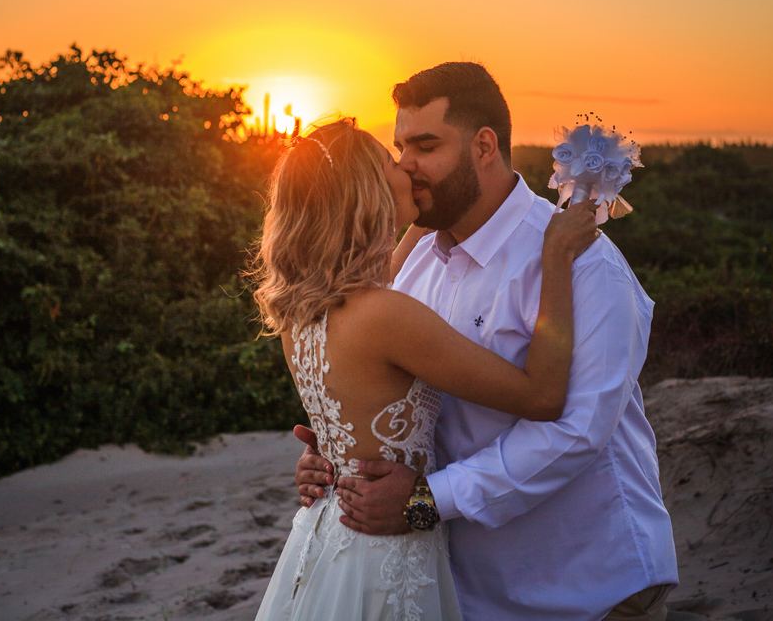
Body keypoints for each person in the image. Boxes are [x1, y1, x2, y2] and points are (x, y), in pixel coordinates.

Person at [294, 63, 679, 621]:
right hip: (463, 592)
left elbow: (574, 431)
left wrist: (424, 504)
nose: (406, 165)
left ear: (483, 146)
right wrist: (334, 459)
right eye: (400, 145)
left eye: (425, 145)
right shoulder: (410, 264)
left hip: (585, 589)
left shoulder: (584, 264)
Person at [249, 117, 601, 621]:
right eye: (393, 162)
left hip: (325, 533)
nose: (408, 166)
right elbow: (542, 397)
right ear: (368, 191)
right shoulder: (387, 317)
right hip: (385, 550)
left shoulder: (301, 312)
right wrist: (556, 255)